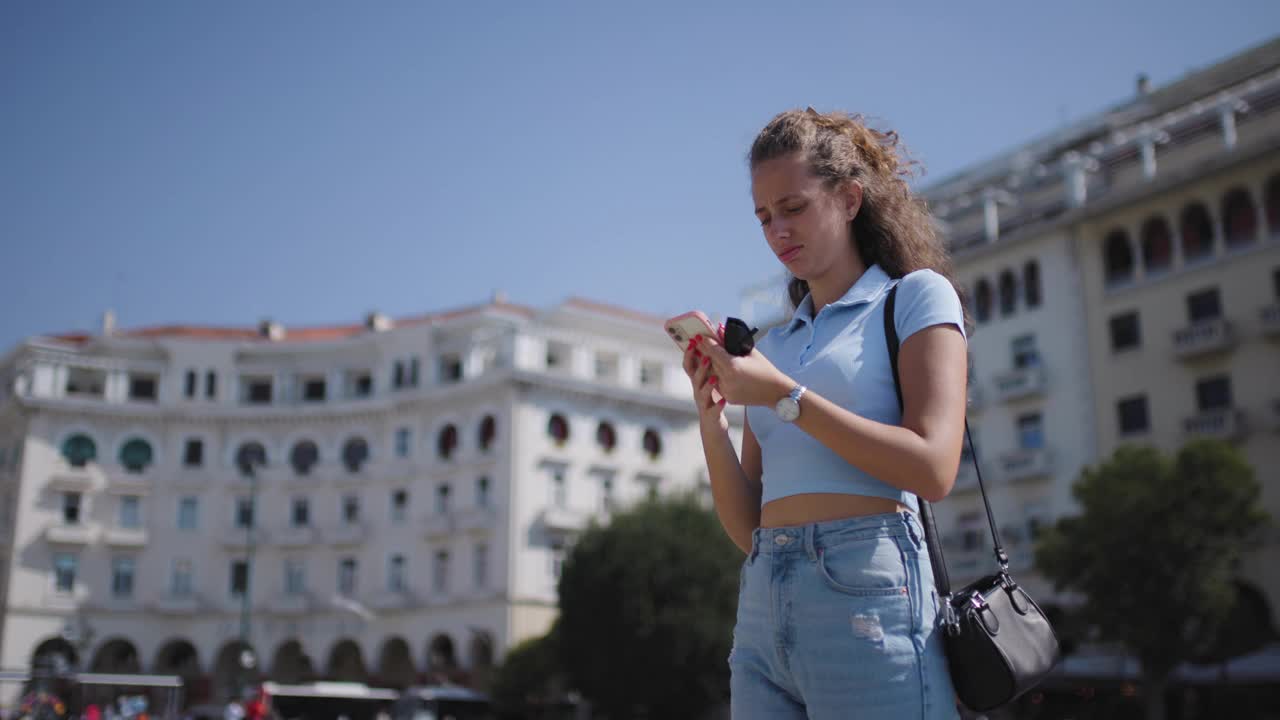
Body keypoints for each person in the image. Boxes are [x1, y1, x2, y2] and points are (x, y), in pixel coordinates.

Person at [684, 108, 969, 719]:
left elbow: (934, 468)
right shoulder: (776, 344)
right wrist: (712, 415)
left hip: (868, 592)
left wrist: (786, 398)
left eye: (793, 208)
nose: (777, 231)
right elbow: (748, 532)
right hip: (764, 600)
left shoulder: (914, 298)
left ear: (848, 199)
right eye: (763, 217)